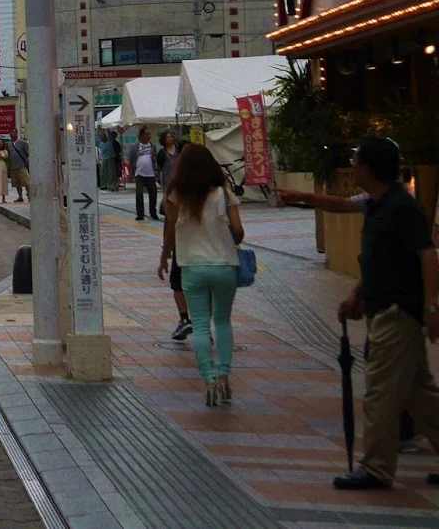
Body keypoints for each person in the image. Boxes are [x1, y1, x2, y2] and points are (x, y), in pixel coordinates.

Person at [280, 137, 439, 490]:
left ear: (368, 168)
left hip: (398, 311)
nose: (351, 166)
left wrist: (431, 307)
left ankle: (377, 468)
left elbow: (428, 254)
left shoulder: (401, 206)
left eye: (356, 161)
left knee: (380, 391)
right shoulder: (377, 202)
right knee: (420, 395)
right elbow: (377, 259)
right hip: (383, 306)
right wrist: (356, 294)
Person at [157, 143, 243, 407]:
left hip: (192, 267)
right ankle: (224, 375)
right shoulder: (224, 193)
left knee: (202, 325)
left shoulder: (175, 195)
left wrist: (164, 258)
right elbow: (239, 233)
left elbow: (170, 233)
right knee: (223, 321)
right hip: (225, 265)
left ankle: (208, 381)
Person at [131, 126, 159, 221]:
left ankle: (153, 212)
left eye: (149, 134)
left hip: (150, 173)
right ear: (141, 135)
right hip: (139, 173)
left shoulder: (153, 146)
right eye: (146, 134)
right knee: (139, 194)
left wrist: (154, 160)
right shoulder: (135, 146)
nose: (149, 136)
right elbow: (131, 160)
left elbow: (155, 158)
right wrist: (132, 173)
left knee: (153, 194)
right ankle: (140, 214)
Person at [155, 132, 180, 218]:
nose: (170, 139)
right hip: (167, 178)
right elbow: (159, 167)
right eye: (168, 137)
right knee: (168, 195)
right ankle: (167, 210)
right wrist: (158, 177)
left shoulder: (179, 149)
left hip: (179, 177)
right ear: (164, 140)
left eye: (171, 137)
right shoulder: (162, 153)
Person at [8, 132, 30, 204]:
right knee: (16, 183)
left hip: (22, 166)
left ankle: (29, 196)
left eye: (14, 133)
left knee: (26, 182)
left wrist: (27, 161)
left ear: (17, 133)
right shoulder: (9, 144)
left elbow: (28, 153)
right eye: (11, 133)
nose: (12, 134)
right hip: (13, 167)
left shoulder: (23, 142)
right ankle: (20, 196)